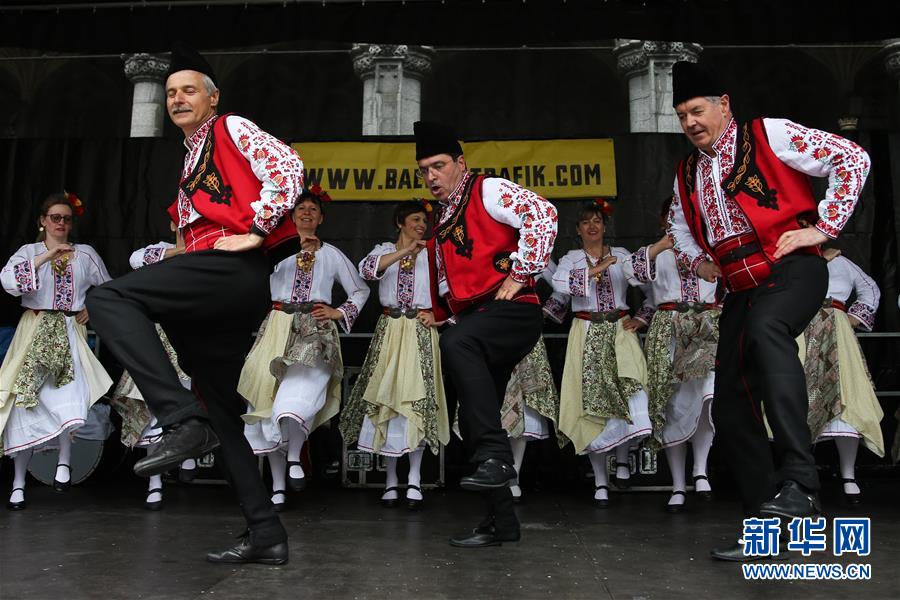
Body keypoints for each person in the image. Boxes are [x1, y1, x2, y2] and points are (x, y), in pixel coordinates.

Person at [86, 43, 303, 564]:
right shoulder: (192, 154)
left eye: (188, 91)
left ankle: (181, 419)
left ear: (212, 97)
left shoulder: (229, 128)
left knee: (108, 297)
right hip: (211, 287)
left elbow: (288, 166)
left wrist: (256, 231)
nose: (178, 99)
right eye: (170, 93)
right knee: (221, 413)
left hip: (227, 273)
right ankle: (266, 533)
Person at [666, 61, 870, 561]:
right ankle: (766, 526)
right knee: (731, 404)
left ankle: (801, 480)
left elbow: (851, 157)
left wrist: (822, 229)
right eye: (682, 115)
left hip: (792, 269)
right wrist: (698, 261)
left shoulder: (767, 134)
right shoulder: (687, 171)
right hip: (740, 288)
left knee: (766, 328)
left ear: (724, 105)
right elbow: (679, 226)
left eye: (697, 110)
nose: (690, 122)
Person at [415, 121, 557, 548]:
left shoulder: (487, 190)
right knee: (477, 420)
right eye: (424, 170)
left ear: (461, 163)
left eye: (439, 166)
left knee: (457, 343)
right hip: (479, 320)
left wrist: (522, 272)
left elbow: (542, 214)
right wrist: (444, 312)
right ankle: (502, 523)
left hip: (512, 310)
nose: (431, 176)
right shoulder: (443, 216)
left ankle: (497, 458)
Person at [240, 187, 369, 510]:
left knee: (299, 392)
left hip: (315, 328)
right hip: (278, 324)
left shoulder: (332, 254)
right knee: (265, 399)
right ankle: (278, 486)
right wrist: (286, 249)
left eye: (313, 209)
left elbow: (360, 289)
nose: (307, 213)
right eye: (301, 209)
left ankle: (295, 456)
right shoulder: (274, 249)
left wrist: (339, 312)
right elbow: (251, 274)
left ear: (321, 218)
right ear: (291, 216)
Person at [1, 192, 113, 510]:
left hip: (69, 329)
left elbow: (109, 287)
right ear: (43, 221)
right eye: (55, 217)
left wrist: (93, 306)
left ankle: (64, 461)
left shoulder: (85, 254)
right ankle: (18, 483)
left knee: (69, 393)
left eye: (66, 218)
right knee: (25, 402)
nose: (61, 223)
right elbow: (9, 282)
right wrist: (46, 257)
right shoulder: (29, 252)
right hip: (34, 329)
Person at [339, 200, 448, 510]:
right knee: (387, 399)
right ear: (400, 223)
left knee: (415, 401)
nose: (421, 225)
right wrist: (406, 251)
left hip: (419, 331)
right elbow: (367, 270)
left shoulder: (434, 254)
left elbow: (452, 291)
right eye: (415, 220)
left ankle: (413, 478)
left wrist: (440, 317)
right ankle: (390, 481)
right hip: (389, 328)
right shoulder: (384, 250)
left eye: (424, 221)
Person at [553, 199, 652, 507]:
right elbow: (560, 284)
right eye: (586, 222)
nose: (592, 226)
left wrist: (642, 318)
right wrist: (597, 268)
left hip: (620, 329)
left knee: (630, 390)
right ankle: (600, 481)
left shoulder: (621, 255)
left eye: (597, 220)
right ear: (578, 230)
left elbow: (649, 287)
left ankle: (622, 462)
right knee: (592, 405)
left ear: (605, 226)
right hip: (586, 332)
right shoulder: (571, 259)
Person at [632, 196, 719, 513]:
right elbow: (632, 274)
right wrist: (660, 246)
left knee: (707, 395)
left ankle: (700, 469)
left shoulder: (712, 248)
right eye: (672, 215)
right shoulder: (657, 252)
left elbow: (733, 284)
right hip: (668, 327)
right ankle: (678, 484)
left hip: (705, 326)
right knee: (672, 405)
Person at [109, 229, 198, 511]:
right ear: (173, 224)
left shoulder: (207, 248)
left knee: (192, 393)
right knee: (152, 402)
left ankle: (189, 453)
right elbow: (136, 260)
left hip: (190, 333)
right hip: (157, 335)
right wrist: (179, 251)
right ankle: (155, 481)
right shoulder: (158, 250)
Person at [803, 248, 883, 504]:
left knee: (847, 396)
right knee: (800, 395)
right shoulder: (790, 260)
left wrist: (854, 318)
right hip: (802, 328)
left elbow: (870, 288)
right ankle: (799, 475)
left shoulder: (842, 262)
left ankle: (849, 474)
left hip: (838, 331)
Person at [500, 261, 568, 503]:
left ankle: (514, 474)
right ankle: (497, 473)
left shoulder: (534, 254)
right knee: (495, 403)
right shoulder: (486, 250)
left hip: (525, 332)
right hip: (491, 331)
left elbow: (562, 287)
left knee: (524, 404)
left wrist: (543, 313)